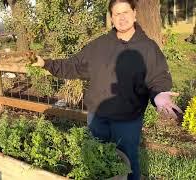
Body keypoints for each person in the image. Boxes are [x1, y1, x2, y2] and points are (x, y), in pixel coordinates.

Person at [32, 0, 183, 179]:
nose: (122, 17)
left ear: (135, 13)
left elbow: (158, 77)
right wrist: (45, 63)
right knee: (98, 161)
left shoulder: (148, 48)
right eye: (117, 14)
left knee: (128, 164)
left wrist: (159, 94)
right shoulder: (99, 45)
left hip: (128, 120)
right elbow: (73, 66)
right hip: (97, 118)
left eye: (125, 12)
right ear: (111, 18)